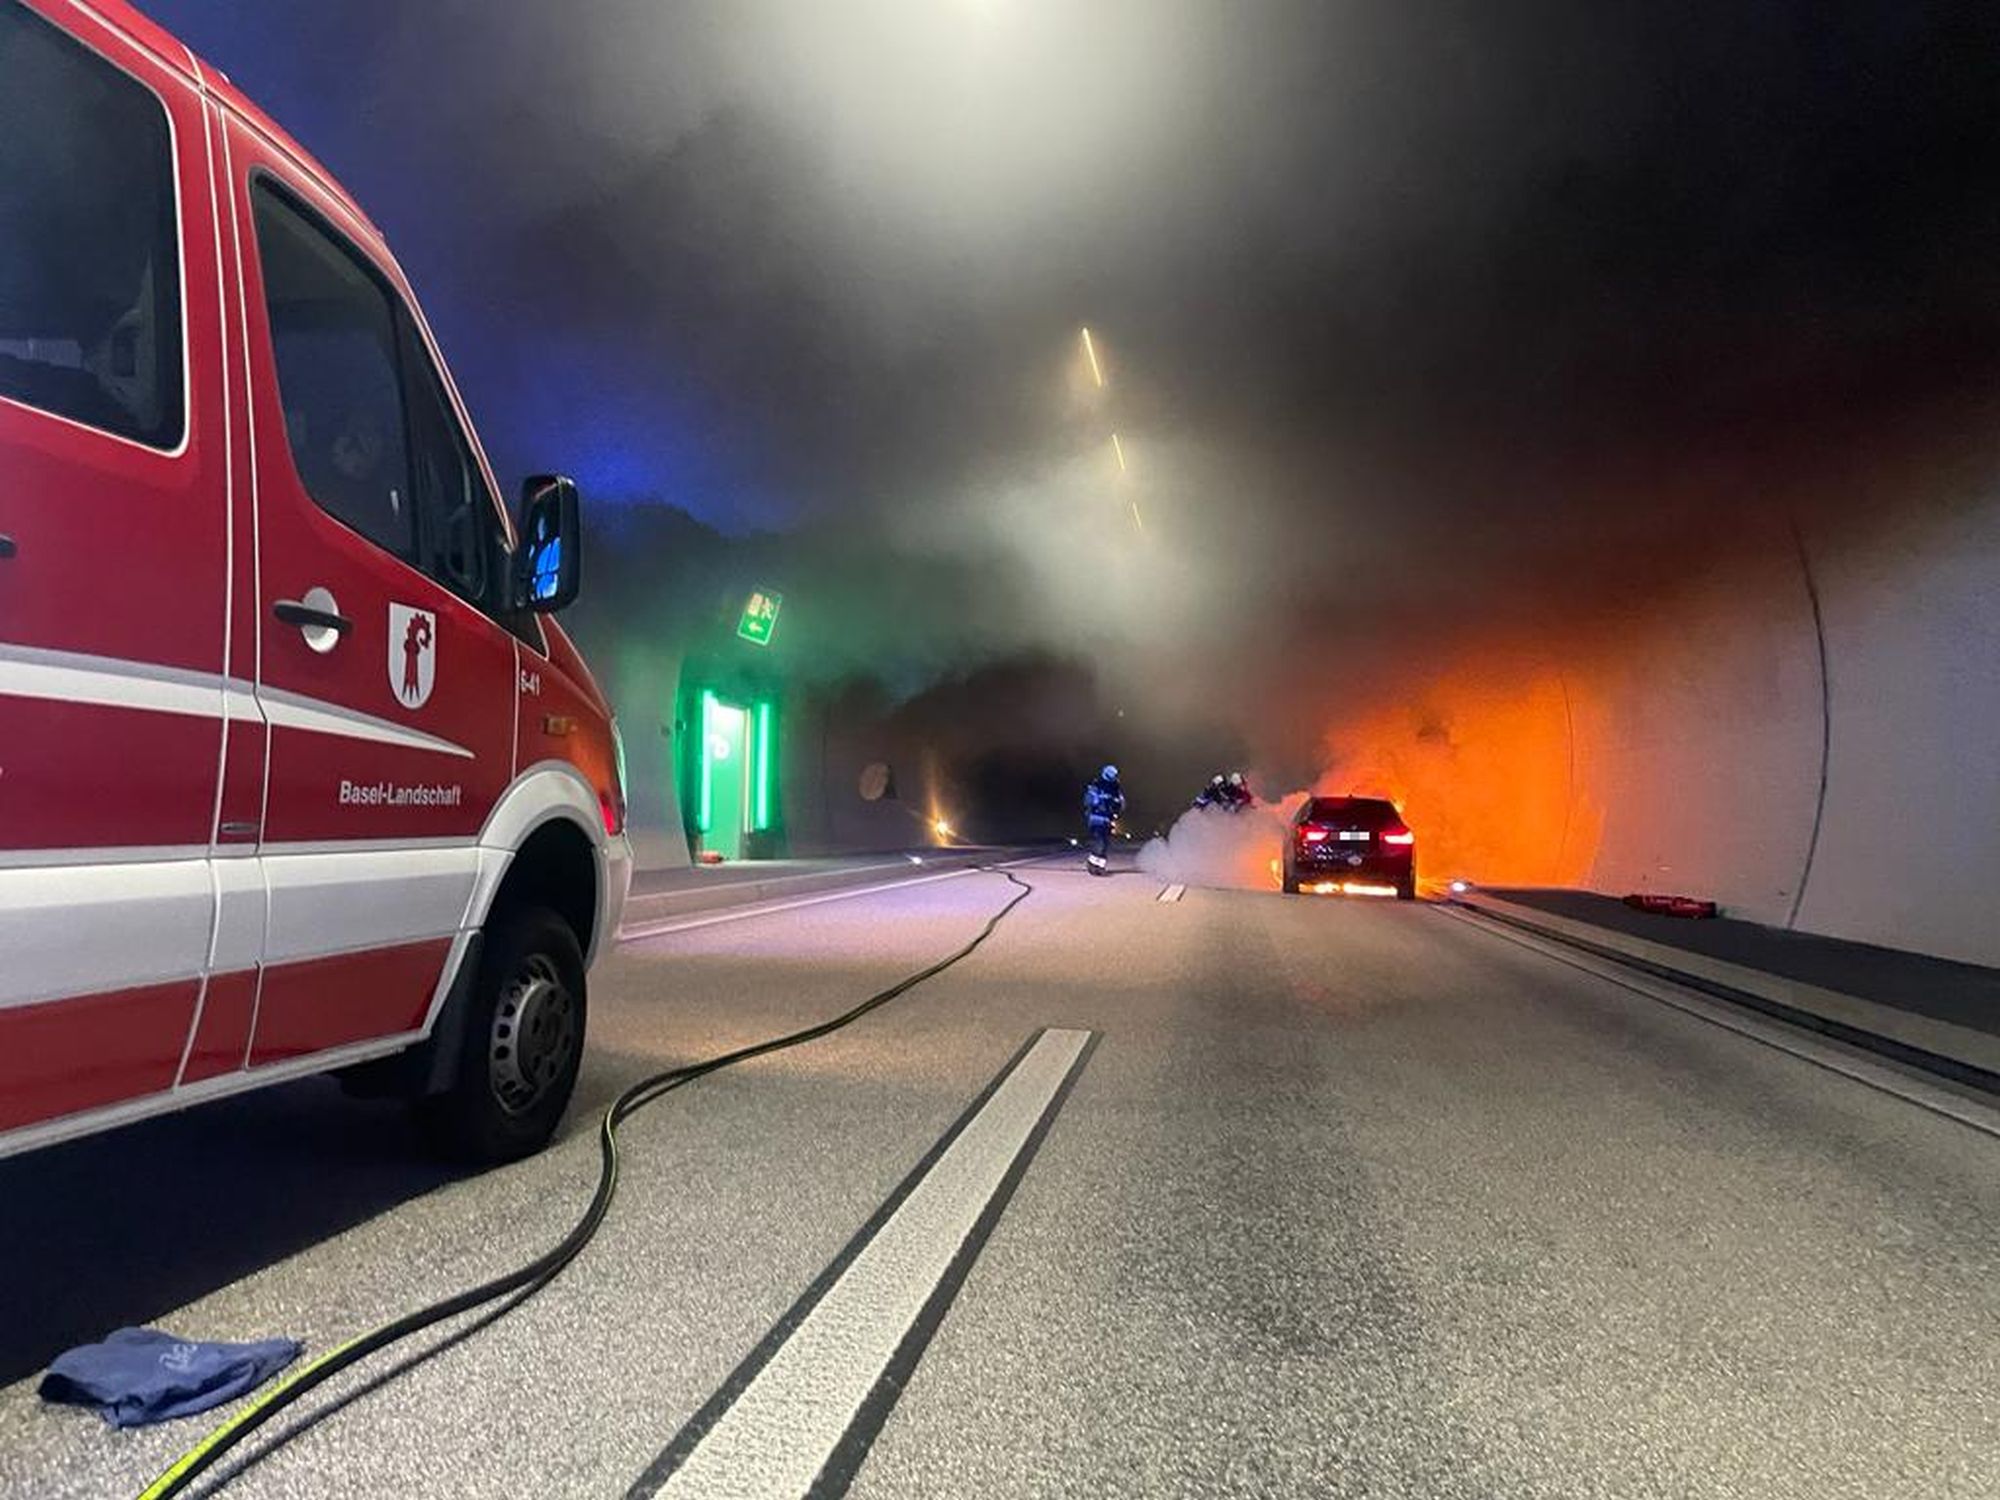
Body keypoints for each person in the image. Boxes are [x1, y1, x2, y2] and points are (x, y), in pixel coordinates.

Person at [1082, 764, 1124, 874]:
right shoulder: (1097, 785)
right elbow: (1088, 800)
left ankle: (1099, 867)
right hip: (1096, 817)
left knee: (1105, 843)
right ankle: (1092, 863)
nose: (1113, 777)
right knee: (1100, 841)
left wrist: (1116, 805)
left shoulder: (1115, 788)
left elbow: (1121, 803)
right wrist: (1099, 799)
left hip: (1107, 818)